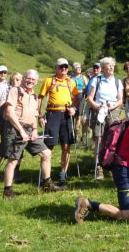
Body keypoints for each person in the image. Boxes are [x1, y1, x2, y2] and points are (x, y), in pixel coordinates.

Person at [0, 69, 60, 198]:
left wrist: (33, 130)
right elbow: (10, 113)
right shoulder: (15, 91)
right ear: (23, 79)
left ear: (36, 81)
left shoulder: (33, 96)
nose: (30, 81)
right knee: (13, 159)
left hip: (28, 130)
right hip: (15, 129)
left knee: (46, 153)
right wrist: (21, 132)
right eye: (28, 78)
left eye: (33, 79)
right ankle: (8, 191)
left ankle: (47, 185)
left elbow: (34, 115)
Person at [38, 58, 79, 188]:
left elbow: (76, 99)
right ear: (56, 68)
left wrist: (74, 109)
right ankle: (46, 178)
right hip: (52, 114)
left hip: (66, 115)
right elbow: (40, 98)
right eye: (61, 67)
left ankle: (63, 175)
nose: (64, 69)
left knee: (66, 146)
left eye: (66, 67)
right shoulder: (49, 81)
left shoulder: (70, 82)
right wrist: (39, 116)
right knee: (49, 146)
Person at [86, 57, 124, 180]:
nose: (111, 67)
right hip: (100, 111)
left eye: (112, 65)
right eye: (109, 65)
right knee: (99, 138)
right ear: (103, 68)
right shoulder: (96, 80)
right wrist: (96, 106)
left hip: (113, 112)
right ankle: (99, 167)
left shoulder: (117, 81)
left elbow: (120, 100)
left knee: (113, 140)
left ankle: (110, 165)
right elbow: (90, 97)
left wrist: (114, 105)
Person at [71, 63, 87, 140]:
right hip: (72, 98)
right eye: (77, 67)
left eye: (80, 67)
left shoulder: (83, 77)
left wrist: (81, 91)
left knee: (79, 115)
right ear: (73, 69)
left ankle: (76, 132)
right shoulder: (70, 78)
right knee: (71, 115)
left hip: (80, 98)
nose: (79, 68)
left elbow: (87, 88)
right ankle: (70, 133)